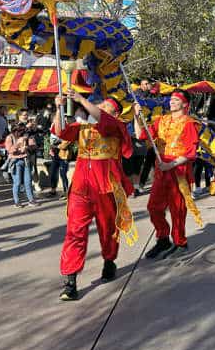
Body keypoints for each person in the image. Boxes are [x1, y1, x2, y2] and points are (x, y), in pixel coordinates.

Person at [53, 91, 135, 301]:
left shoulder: (117, 126)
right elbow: (61, 132)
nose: (102, 109)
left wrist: (81, 100)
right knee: (74, 232)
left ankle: (109, 260)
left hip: (107, 187)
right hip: (81, 187)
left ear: (115, 113)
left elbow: (103, 120)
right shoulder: (84, 125)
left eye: (107, 108)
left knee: (108, 230)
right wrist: (59, 107)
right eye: (101, 106)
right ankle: (70, 281)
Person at [143, 91, 201, 260]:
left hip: (179, 173)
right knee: (153, 207)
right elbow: (144, 134)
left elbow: (191, 153)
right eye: (171, 99)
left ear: (185, 104)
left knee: (177, 211)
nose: (172, 102)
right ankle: (163, 239)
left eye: (176, 100)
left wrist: (170, 164)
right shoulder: (162, 120)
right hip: (162, 172)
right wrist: (136, 116)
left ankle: (180, 242)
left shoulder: (189, 123)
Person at [5, 123, 37, 208]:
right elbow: (9, 150)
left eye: (21, 131)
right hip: (15, 161)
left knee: (28, 181)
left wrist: (28, 147)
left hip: (26, 160)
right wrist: (18, 144)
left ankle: (31, 200)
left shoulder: (26, 136)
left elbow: (33, 147)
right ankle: (17, 201)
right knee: (17, 182)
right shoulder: (10, 137)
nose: (19, 133)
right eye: (18, 131)